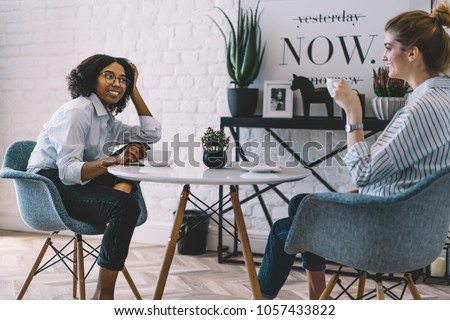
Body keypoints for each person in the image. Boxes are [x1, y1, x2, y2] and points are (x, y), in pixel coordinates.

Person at [257, 2, 450, 300]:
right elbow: (411, 177)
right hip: (414, 232)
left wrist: (352, 112)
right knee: (301, 203)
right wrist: (361, 192)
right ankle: (318, 299)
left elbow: (363, 171)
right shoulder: (442, 100)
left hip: (382, 238)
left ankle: (258, 305)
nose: (384, 56)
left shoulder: (423, 108)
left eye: (388, 47)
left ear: (412, 53)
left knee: (284, 230)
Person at [27, 54, 161, 299]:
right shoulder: (77, 112)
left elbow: (150, 134)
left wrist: (135, 90)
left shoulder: (106, 117)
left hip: (78, 180)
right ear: (91, 78)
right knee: (125, 207)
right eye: (109, 76)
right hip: (49, 186)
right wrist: (116, 160)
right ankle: (103, 295)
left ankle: (112, 214)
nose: (117, 84)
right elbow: (67, 172)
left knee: (139, 154)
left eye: (123, 80)